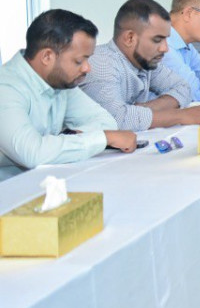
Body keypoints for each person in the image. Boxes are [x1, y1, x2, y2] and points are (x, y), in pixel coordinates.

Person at [0, 9, 135, 182]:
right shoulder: (6, 87)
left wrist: (59, 142)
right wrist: (103, 138)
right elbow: (32, 153)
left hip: (45, 182)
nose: (87, 68)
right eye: (79, 61)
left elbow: (105, 122)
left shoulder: (59, 81)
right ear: (47, 56)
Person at [81, 0, 200, 130]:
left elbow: (183, 87)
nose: (165, 48)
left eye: (166, 40)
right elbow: (115, 119)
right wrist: (180, 115)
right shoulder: (101, 63)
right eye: (157, 40)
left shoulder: (145, 61)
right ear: (130, 38)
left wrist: (144, 109)